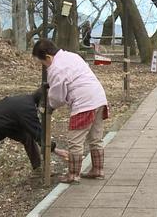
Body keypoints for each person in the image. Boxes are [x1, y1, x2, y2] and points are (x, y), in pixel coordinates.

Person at [32, 39, 109, 184]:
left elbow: (57, 97)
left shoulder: (56, 68)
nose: (44, 66)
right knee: (96, 138)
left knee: (75, 141)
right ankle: (98, 169)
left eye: (42, 63)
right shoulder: (72, 56)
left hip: (83, 102)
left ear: (48, 57)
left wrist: (49, 106)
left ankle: (73, 175)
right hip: (99, 97)